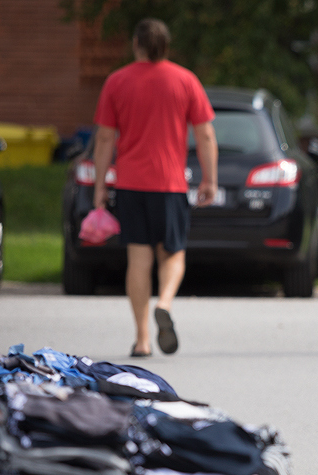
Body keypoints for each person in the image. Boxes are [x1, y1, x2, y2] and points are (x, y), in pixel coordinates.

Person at [92, 18, 217, 358]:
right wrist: (209, 179)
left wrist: (100, 186)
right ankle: (164, 303)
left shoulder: (116, 82)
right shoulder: (185, 80)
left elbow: (105, 138)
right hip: (170, 184)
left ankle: (142, 339)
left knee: (138, 258)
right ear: (166, 45)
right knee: (173, 254)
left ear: (136, 44)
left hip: (131, 184)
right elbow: (205, 134)